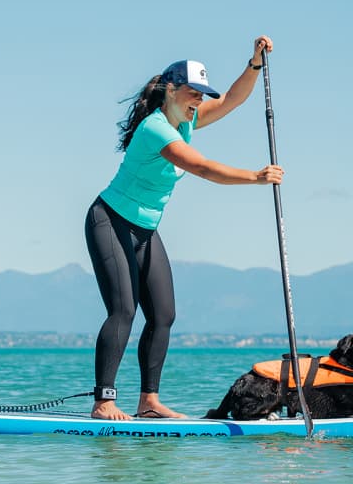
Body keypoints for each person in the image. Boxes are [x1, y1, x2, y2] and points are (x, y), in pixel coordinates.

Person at [85, 35, 283, 421]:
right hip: (110, 221)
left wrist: (255, 64)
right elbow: (203, 168)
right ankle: (103, 401)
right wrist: (255, 177)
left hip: (145, 230)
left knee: (163, 315)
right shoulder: (156, 129)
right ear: (171, 90)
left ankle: (149, 401)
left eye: (201, 94)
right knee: (123, 310)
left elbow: (232, 100)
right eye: (193, 92)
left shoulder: (187, 120)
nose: (198, 100)